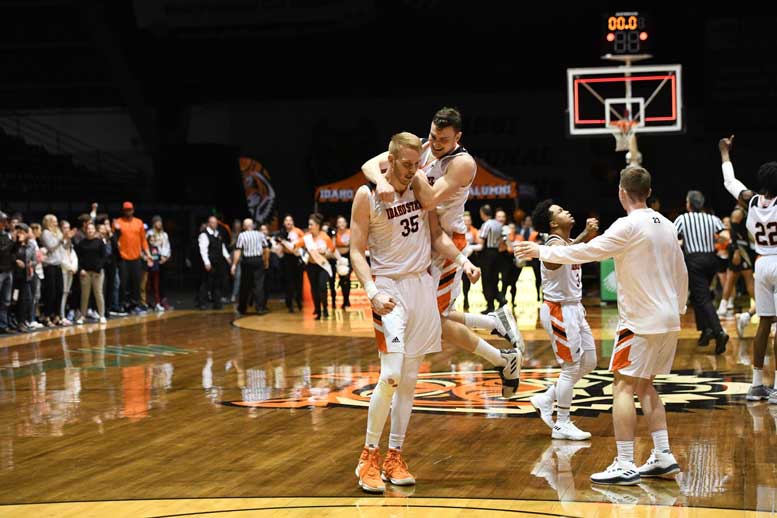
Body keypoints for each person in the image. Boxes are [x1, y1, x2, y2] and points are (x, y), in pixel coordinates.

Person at [515, 166, 688, 486]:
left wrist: (539, 249)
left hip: (640, 321)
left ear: (622, 192)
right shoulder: (666, 223)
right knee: (645, 385)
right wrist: (678, 308)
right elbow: (681, 271)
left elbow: (589, 251)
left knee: (622, 386)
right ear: (648, 192)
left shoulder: (627, 225)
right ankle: (663, 454)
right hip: (669, 320)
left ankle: (624, 462)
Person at [351, 132, 480, 493]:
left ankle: (395, 455)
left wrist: (463, 261)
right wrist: (372, 291)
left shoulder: (421, 186)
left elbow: (437, 235)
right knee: (390, 374)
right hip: (389, 288)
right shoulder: (368, 194)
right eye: (406, 164)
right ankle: (367, 457)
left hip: (421, 285)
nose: (413, 170)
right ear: (389, 161)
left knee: (409, 380)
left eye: (416, 164)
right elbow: (356, 251)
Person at [361, 107, 522, 397]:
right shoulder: (422, 147)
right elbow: (369, 165)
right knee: (430, 317)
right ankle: (494, 328)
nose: (435, 143)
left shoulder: (463, 163)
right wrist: (383, 179)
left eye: (443, 140)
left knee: (434, 321)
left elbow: (431, 200)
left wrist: (407, 169)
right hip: (423, 242)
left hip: (446, 242)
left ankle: (501, 354)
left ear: (457, 137)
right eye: (433, 136)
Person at [527, 200, 599, 440]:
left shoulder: (566, 243)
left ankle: (547, 397)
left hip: (575, 309)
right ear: (553, 223)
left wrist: (585, 235)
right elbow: (556, 258)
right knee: (570, 368)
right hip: (559, 309)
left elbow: (572, 251)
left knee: (589, 361)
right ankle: (562, 423)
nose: (567, 210)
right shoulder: (551, 244)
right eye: (560, 211)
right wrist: (585, 236)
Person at [719, 135, 777, 403]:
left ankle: (756, 384)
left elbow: (730, 182)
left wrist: (725, 155)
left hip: (760, 263)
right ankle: (776, 387)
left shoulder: (752, 201)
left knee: (764, 323)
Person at [673, 191, 729, 354]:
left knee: (702, 297)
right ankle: (706, 331)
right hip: (711, 260)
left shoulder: (683, 218)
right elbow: (725, 236)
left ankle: (718, 332)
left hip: (694, 260)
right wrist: (716, 240)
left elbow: (673, 237)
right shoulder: (712, 218)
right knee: (699, 296)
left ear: (689, 204)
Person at [114, 201, 152, 314]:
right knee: (123, 282)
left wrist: (148, 254)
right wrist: (115, 230)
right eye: (126, 210)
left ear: (133, 210)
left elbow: (143, 240)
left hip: (136, 257)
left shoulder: (139, 222)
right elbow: (113, 239)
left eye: (130, 209)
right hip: (123, 257)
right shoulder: (118, 222)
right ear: (123, 211)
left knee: (136, 282)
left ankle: (135, 304)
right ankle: (122, 304)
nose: (128, 211)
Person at [294, 214, 334, 320]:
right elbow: (296, 246)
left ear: (317, 225)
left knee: (322, 287)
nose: (309, 226)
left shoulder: (325, 237)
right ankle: (318, 310)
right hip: (311, 266)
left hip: (323, 266)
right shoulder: (307, 237)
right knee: (314, 288)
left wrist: (325, 252)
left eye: (311, 224)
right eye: (309, 224)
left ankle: (325, 308)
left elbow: (332, 252)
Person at [231, 218, 270, 315]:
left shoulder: (242, 235)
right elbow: (266, 249)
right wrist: (266, 261)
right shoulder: (260, 234)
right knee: (259, 285)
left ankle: (242, 308)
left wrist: (234, 264)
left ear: (244, 227)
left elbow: (238, 250)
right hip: (258, 260)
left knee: (245, 285)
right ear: (252, 226)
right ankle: (260, 308)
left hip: (247, 262)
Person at [75, 222, 107, 324]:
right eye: (88, 229)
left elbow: (104, 257)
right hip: (85, 272)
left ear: (95, 231)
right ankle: (83, 316)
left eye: (92, 229)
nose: (90, 231)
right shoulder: (81, 243)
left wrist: (99, 269)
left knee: (98, 293)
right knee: (84, 295)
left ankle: (102, 315)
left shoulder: (100, 242)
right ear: (85, 230)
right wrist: (81, 269)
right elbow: (78, 258)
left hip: (98, 273)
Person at [198, 216, 231, 310]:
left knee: (217, 283)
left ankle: (217, 302)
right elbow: (203, 249)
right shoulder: (204, 235)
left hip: (218, 262)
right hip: (210, 262)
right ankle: (202, 303)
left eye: (216, 223)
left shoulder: (218, 234)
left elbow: (222, 246)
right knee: (205, 282)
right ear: (209, 223)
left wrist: (227, 256)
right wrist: (206, 262)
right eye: (213, 222)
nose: (215, 224)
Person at [279, 215, 305, 313]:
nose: (288, 222)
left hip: (297, 257)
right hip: (286, 258)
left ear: (293, 222)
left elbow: (305, 241)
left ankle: (299, 300)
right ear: (284, 223)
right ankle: (289, 303)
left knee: (299, 280)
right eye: (286, 220)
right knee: (288, 281)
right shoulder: (282, 233)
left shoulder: (298, 231)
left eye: (290, 220)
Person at [146, 215, 171, 311]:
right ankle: (149, 302)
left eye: (160, 221)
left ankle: (161, 301)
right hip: (153, 258)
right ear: (153, 223)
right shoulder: (149, 233)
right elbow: (147, 245)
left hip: (163, 258)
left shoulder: (164, 234)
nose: (159, 223)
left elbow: (167, 247)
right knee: (149, 282)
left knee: (161, 282)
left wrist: (166, 257)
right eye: (157, 222)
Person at [461, 211, 482, 311]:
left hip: (470, 259)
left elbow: (481, 245)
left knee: (466, 280)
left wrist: (471, 248)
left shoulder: (474, 231)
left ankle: (466, 299)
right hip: (459, 258)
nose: (467, 222)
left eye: (468, 220)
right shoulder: (459, 230)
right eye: (465, 220)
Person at [0, 212, 14, 334]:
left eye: (5, 221)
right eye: (2, 221)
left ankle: (3, 325)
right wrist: (12, 243)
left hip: (8, 270)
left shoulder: (8, 235)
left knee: (6, 300)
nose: (4, 224)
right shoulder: (9, 238)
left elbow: (11, 252)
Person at [334, 215, 352, 309]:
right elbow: (333, 246)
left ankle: (347, 300)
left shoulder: (351, 232)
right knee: (341, 279)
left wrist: (349, 244)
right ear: (337, 224)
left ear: (346, 223)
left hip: (349, 257)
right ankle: (344, 300)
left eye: (343, 222)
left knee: (347, 279)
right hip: (338, 258)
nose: (341, 224)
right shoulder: (335, 233)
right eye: (339, 222)